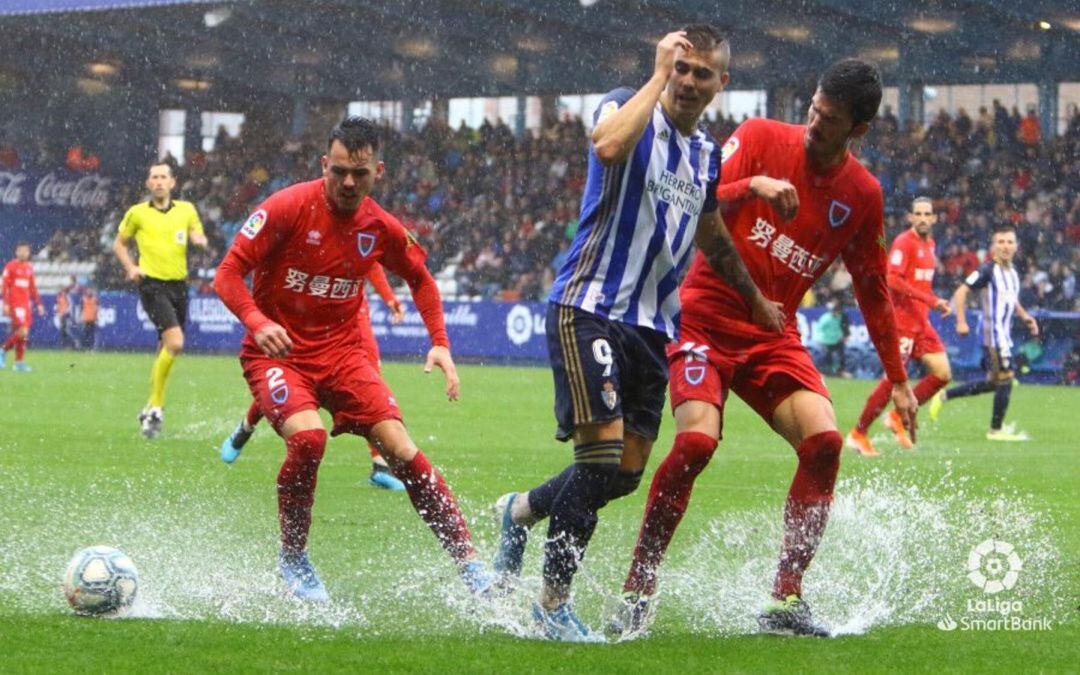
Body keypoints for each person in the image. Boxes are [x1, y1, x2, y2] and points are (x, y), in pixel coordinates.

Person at [610, 59, 918, 639]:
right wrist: (749, 185)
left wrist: (898, 377)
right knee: (697, 443)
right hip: (702, 314)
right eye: (813, 108)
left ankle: (786, 597)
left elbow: (875, 289)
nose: (813, 124)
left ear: (859, 131)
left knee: (825, 442)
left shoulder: (862, 194)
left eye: (829, 120)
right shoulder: (757, 137)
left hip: (774, 331)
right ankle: (637, 588)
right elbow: (691, 201)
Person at [491, 26, 781, 642]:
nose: (688, 81)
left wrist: (755, 299)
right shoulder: (627, 101)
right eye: (681, 68)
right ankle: (550, 604)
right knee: (597, 464)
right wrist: (654, 74)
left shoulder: (706, 153)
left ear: (721, 84)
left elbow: (709, 233)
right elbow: (607, 148)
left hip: (653, 330)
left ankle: (518, 513)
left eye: (702, 73)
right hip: (588, 307)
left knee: (624, 472)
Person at [213, 116, 494, 602]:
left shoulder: (380, 226)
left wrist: (441, 342)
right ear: (324, 164)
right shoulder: (286, 206)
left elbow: (422, 280)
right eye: (339, 170)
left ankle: (469, 563)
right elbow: (227, 274)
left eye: (358, 174)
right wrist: (258, 322)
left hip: (343, 354)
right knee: (308, 440)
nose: (347, 182)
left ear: (377, 172)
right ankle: (295, 559)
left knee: (401, 450)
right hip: (278, 355)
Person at [219, 262, 409, 491]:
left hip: (350, 310)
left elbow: (369, 260)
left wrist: (388, 297)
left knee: (370, 379)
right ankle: (245, 428)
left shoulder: (357, 231)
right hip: (309, 307)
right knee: (289, 377)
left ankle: (380, 466)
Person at [847, 197, 954, 455]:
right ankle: (858, 433)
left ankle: (896, 415)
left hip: (921, 322)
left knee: (943, 373)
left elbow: (918, 284)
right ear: (910, 217)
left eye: (927, 214)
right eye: (918, 213)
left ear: (934, 218)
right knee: (893, 381)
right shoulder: (904, 243)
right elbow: (892, 279)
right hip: (903, 323)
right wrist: (932, 300)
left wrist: (928, 305)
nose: (923, 218)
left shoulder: (930, 244)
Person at [113, 162, 208, 438]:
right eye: (153, 177)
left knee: (163, 351)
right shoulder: (137, 213)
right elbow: (119, 243)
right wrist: (131, 268)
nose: (158, 182)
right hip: (151, 284)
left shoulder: (187, 210)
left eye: (163, 177)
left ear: (172, 183)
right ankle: (156, 407)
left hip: (179, 285)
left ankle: (148, 410)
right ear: (148, 183)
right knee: (176, 343)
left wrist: (199, 239)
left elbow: (195, 232)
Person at [927, 225, 1038, 440]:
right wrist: (960, 320)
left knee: (993, 383)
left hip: (1004, 337)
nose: (1005, 246)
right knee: (1006, 378)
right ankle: (995, 430)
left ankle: (944, 395)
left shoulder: (1013, 273)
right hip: (992, 337)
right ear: (993, 246)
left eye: (1009, 242)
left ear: (1016, 246)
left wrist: (1025, 316)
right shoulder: (987, 270)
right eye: (1001, 242)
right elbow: (961, 292)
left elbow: (1011, 300)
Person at [1, 242, 46, 371]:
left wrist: (39, 304)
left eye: (25, 251)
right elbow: (5, 287)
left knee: (23, 334)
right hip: (15, 304)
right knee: (23, 331)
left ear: (28, 253)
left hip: (26, 305)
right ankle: (3, 350)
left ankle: (19, 362)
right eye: (21, 251)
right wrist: (5, 303)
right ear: (16, 252)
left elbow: (32, 288)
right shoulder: (11, 266)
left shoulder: (29, 268)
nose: (23, 253)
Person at [813, 301, 850, 377]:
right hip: (826, 341)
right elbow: (819, 329)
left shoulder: (841, 317)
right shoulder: (826, 318)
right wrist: (819, 339)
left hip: (836, 340)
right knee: (827, 356)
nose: (838, 314)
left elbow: (844, 328)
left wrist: (843, 336)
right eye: (837, 312)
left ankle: (841, 371)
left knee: (841, 355)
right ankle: (826, 372)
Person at [80, 283, 100, 352]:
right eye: (88, 290)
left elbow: (98, 308)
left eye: (90, 290)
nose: (89, 291)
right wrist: (80, 317)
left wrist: (97, 317)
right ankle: (86, 348)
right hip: (86, 319)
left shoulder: (95, 299)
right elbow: (81, 309)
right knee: (86, 334)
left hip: (93, 319)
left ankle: (92, 348)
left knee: (92, 335)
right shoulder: (83, 299)